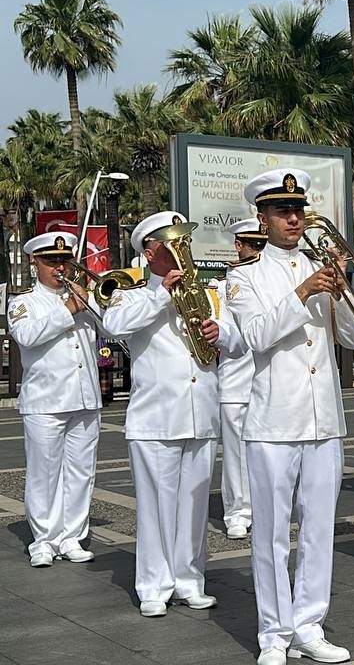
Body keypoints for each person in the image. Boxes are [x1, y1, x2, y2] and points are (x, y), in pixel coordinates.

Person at [227, 169, 354, 665]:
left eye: (298, 209)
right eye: (282, 211)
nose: (293, 218)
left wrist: (343, 291)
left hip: (323, 417)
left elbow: (351, 338)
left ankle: (309, 625)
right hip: (274, 421)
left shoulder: (323, 265)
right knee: (270, 532)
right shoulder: (243, 277)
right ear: (261, 219)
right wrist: (303, 291)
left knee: (319, 529)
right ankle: (273, 635)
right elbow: (257, 336)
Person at [104, 211, 242, 618]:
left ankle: (189, 579)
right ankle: (153, 584)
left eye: (183, 241)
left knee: (195, 504)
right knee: (156, 506)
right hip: (156, 416)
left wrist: (224, 335)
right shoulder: (132, 293)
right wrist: (163, 293)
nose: (182, 249)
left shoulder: (210, 292)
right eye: (171, 243)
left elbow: (235, 339)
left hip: (201, 413)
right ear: (150, 252)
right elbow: (114, 325)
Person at [8, 232, 101, 568]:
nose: (59, 268)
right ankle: (44, 539)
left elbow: (116, 329)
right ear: (35, 263)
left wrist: (92, 300)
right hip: (46, 400)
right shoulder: (23, 302)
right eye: (50, 262)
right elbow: (27, 336)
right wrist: (68, 309)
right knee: (44, 473)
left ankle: (72, 536)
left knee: (81, 472)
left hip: (85, 397)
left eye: (63, 261)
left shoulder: (83, 296)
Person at [211, 218, 266, 540]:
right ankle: (237, 511)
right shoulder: (222, 288)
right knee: (236, 454)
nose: (258, 250)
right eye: (252, 244)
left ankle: (264, 507)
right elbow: (225, 332)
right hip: (236, 381)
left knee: (268, 452)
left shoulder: (274, 282)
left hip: (270, 382)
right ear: (238, 246)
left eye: (262, 244)